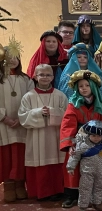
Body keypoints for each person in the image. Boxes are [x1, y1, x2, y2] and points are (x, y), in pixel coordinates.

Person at [59, 70, 102, 208]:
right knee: (72, 164)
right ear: (76, 88)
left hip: (99, 141)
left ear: (92, 87)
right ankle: (71, 195)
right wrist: (69, 145)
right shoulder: (73, 105)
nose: (84, 88)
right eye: (81, 86)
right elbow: (67, 125)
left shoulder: (100, 106)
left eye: (87, 85)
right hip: (79, 141)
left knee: (101, 167)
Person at [18, 64, 68, 200]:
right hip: (36, 136)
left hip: (55, 135)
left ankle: (58, 190)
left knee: (56, 161)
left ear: (52, 77)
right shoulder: (28, 97)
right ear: (35, 76)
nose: (45, 77)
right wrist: (39, 113)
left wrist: (53, 112)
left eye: (48, 75)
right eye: (41, 75)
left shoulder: (60, 95)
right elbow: (23, 117)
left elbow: (68, 116)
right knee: (40, 162)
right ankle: (42, 192)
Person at [0, 39, 34, 202]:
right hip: (3, 125)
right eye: (9, 57)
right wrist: (4, 118)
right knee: (6, 156)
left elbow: (32, 100)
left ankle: (20, 185)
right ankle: (8, 186)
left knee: (21, 156)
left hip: (22, 124)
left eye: (16, 57)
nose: (13, 60)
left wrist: (22, 118)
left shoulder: (26, 79)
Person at [66, 120, 102, 211]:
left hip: (101, 172)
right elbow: (75, 156)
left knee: (100, 187)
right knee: (85, 188)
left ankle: (97, 203)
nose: (96, 138)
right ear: (88, 134)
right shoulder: (82, 145)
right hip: (87, 172)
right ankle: (83, 204)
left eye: (98, 136)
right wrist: (70, 167)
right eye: (93, 135)